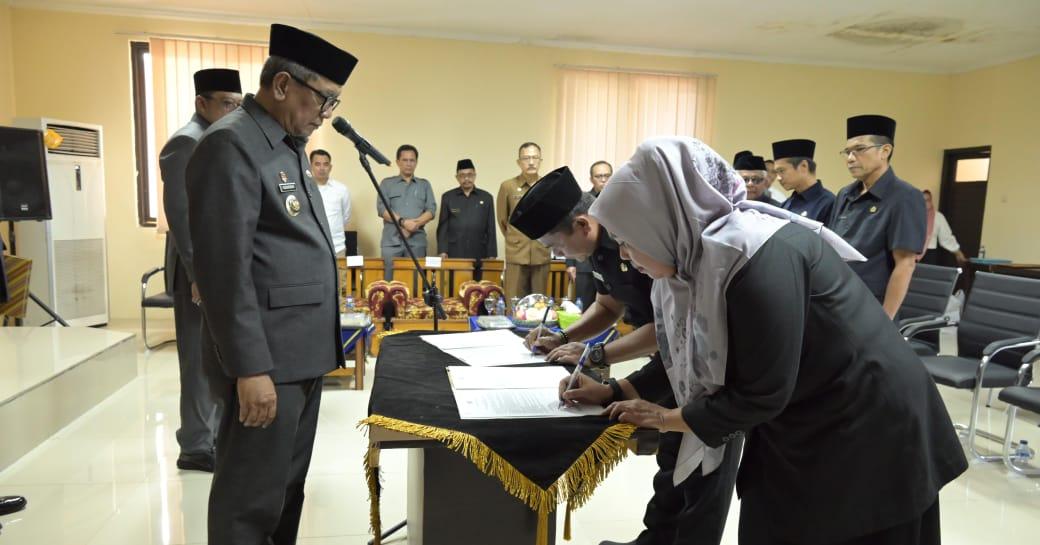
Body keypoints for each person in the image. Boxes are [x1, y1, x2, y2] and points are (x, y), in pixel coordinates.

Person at [565, 136, 966, 545]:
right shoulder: (696, 258)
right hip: (807, 412)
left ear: (661, 221)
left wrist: (665, 418)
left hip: (867, 420)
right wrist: (614, 391)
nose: (627, 256)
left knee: (850, 525)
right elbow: (687, 354)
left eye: (629, 240)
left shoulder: (754, 255)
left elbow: (761, 392)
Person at [185, 24, 353, 545]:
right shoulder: (232, 144)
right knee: (250, 500)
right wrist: (250, 368)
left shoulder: (285, 142)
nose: (324, 116)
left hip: (299, 353)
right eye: (322, 100)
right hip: (267, 361)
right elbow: (223, 271)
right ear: (282, 85)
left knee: (285, 490)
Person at [513, 166, 740, 545]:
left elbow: (669, 328)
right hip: (670, 362)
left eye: (557, 246)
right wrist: (563, 337)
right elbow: (608, 306)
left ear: (583, 225)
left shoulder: (637, 239)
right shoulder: (598, 251)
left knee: (703, 469)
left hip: (705, 363)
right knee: (671, 457)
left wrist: (599, 356)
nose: (557, 255)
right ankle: (657, 539)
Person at [161, 67, 242, 473]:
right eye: (226, 103)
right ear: (201, 103)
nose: (233, 111)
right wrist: (197, 275)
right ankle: (194, 445)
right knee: (196, 357)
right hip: (194, 270)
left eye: (238, 105)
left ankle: (208, 434)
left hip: (212, 266)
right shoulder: (185, 142)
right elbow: (181, 215)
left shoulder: (215, 138)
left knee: (213, 354)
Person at [829, 115, 926, 318]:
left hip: (871, 308)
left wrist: (885, 321)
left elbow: (905, 264)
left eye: (860, 150)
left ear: (885, 151)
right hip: (836, 301)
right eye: (847, 152)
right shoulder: (845, 194)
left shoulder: (905, 196)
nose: (850, 158)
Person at [497, 142, 551, 299]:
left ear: (541, 160)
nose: (531, 162)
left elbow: (552, 219)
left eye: (535, 157)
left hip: (541, 252)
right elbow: (502, 220)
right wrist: (516, 239)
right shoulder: (508, 186)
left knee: (538, 303)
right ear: (519, 162)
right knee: (514, 301)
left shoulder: (548, 185)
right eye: (526, 158)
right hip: (517, 253)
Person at [377, 144, 437, 279]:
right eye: (405, 160)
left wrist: (412, 227)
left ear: (416, 162)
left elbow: (431, 210)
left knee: (416, 284)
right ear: (398, 162)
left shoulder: (424, 185)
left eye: (412, 160)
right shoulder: (386, 183)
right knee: (389, 284)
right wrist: (404, 223)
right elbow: (382, 209)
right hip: (391, 243)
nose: (408, 164)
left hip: (417, 243)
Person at [565, 160, 612, 310]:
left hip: (610, 262)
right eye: (599, 176)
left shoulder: (617, 200)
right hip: (584, 263)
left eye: (607, 175)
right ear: (592, 179)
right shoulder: (582, 200)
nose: (603, 180)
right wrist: (570, 264)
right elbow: (569, 231)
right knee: (584, 304)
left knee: (609, 305)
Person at [436, 158, 496, 261]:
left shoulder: (486, 197)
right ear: (457, 177)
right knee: (453, 277)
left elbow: (491, 228)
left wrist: (492, 254)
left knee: (480, 278)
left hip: (480, 252)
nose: (466, 179)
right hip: (454, 251)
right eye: (462, 176)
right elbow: (443, 227)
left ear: (475, 175)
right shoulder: (448, 197)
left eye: (470, 175)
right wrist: (442, 250)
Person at [772, 139, 835, 223]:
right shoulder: (786, 204)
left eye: (782, 171)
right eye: (776, 172)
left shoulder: (829, 203)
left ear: (803, 166)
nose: (778, 178)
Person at [309, 149, 352, 255]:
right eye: (317, 164)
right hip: (311, 246)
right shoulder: (304, 189)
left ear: (330, 167)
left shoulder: (341, 189)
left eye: (325, 164)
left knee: (340, 272)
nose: (322, 168)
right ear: (310, 167)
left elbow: (345, 217)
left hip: (337, 247)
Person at [920, 189, 968, 266]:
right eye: (922, 200)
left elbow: (946, 238)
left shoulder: (938, 217)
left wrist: (958, 253)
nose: (925, 203)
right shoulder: (912, 215)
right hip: (911, 254)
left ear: (931, 201)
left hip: (929, 255)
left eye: (927, 200)